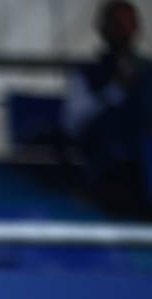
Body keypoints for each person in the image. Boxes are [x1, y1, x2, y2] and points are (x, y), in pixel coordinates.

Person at [62, 0, 152, 216]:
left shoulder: (147, 71)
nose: (122, 30)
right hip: (108, 173)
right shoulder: (87, 75)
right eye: (116, 23)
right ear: (103, 28)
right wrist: (115, 90)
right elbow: (73, 124)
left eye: (128, 23)